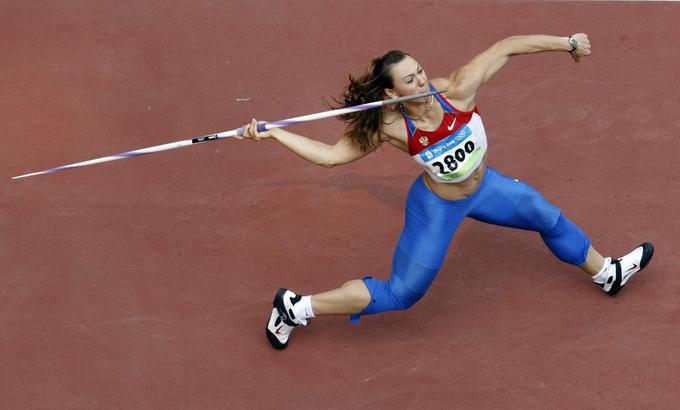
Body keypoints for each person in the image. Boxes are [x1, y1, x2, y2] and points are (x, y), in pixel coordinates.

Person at [241, 33, 655, 350]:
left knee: (544, 214)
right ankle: (295, 308)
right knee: (402, 294)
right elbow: (331, 156)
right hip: (437, 205)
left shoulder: (456, 89)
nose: (421, 79)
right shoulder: (389, 126)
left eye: (419, 70)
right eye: (409, 79)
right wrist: (274, 134)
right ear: (391, 93)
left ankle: (607, 274)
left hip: (484, 187)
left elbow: (507, 46)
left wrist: (566, 43)